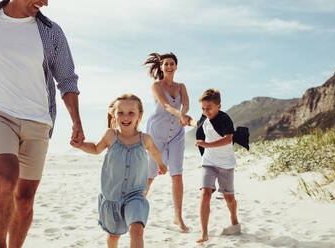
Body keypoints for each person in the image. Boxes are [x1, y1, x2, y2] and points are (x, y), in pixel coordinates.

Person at [0, 0, 84, 247]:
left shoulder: (51, 32)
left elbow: (66, 78)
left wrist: (76, 121)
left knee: (24, 200)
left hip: (38, 120)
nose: (46, 2)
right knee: (6, 181)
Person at [71, 94, 167, 248]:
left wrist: (161, 165)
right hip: (112, 196)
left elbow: (154, 152)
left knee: (136, 229)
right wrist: (81, 145)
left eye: (131, 112)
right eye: (120, 112)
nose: (125, 117)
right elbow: (96, 149)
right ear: (114, 115)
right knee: (113, 236)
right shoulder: (111, 135)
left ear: (139, 115)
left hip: (135, 194)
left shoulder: (145, 139)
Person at [143, 52, 191, 232]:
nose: (169, 66)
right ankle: (137, 210)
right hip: (157, 135)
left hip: (176, 135)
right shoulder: (156, 86)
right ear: (161, 67)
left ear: (176, 66)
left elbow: (185, 104)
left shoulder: (181, 86)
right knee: (150, 174)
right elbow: (166, 106)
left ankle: (178, 218)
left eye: (172, 63)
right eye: (166, 64)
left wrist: (184, 112)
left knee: (177, 174)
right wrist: (180, 114)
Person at [187, 88, 241, 243]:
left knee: (229, 198)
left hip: (226, 164)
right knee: (205, 193)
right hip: (209, 163)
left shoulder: (225, 119)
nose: (205, 111)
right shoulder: (204, 117)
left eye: (208, 108)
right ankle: (204, 233)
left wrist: (207, 144)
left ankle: (234, 219)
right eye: (203, 108)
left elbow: (228, 139)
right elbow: (197, 123)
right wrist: (187, 120)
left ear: (219, 106)